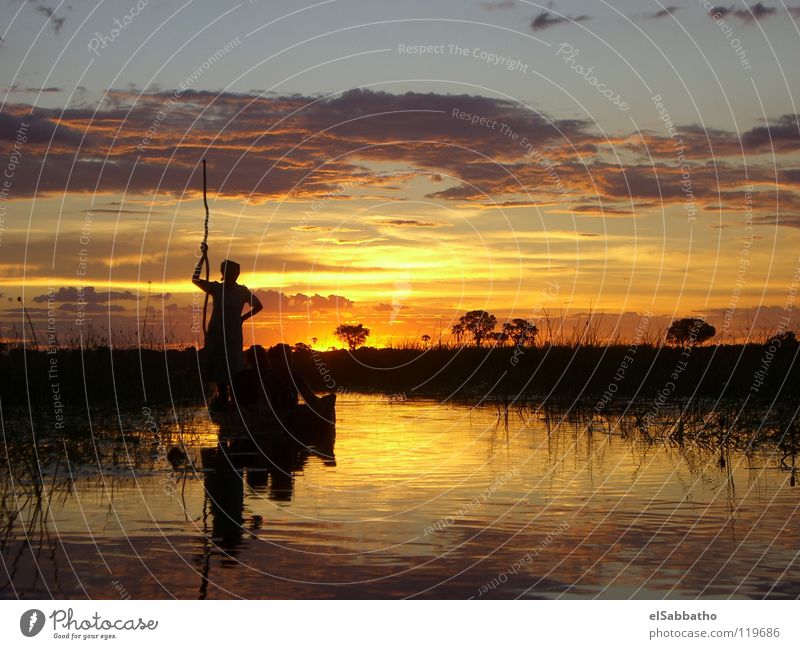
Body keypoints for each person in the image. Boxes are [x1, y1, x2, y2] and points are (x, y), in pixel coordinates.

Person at [193, 242, 262, 409]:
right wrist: (202, 258)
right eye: (229, 272)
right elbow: (195, 279)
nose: (232, 275)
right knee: (219, 369)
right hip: (216, 334)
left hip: (233, 335)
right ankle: (223, 402)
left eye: (234, 272)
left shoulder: (242, 291)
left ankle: (236, 403)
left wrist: (242, 318)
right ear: (224, 273)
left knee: (234, 368)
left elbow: (258, 306)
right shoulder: (216, 288)